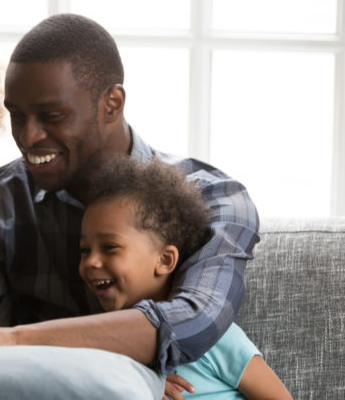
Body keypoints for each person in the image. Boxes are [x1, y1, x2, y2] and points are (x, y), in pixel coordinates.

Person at [0, 13, 259, 399]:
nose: (27, 136)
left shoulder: (212, 199)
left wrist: (12, 338)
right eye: (16, 115)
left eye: (51, 115)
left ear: (112, 103)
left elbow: (189, 323)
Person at [79, 157, 291, 400]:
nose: (91, 262)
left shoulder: (215, 338)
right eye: (85, 250)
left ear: (165, 260)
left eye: (109, 247)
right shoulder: (105, 348)